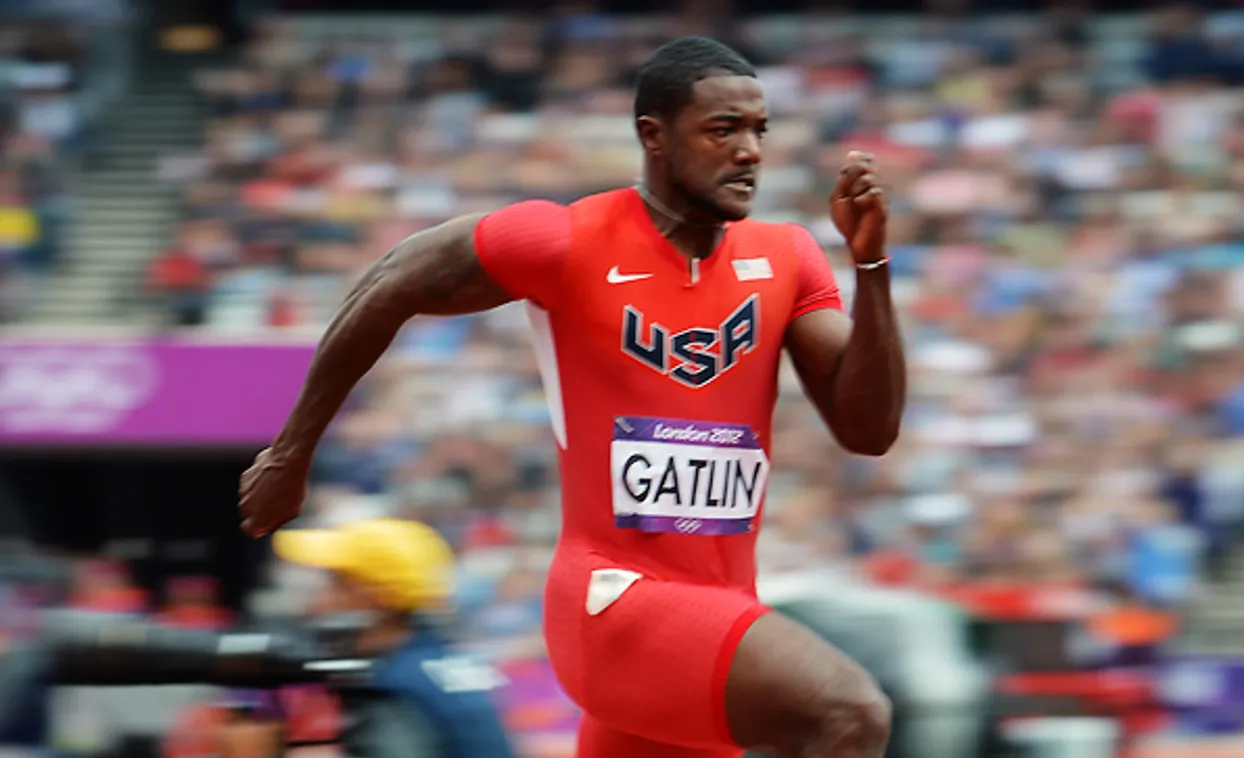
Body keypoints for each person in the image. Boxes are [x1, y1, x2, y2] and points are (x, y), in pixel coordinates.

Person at [240, 36, 906, 758]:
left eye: (759, 130)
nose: (749, 151)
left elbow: (867, 429)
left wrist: (869, 266)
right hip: (612, 603)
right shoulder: (565, 240)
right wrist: (291, 451)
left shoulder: (786, 258)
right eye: (723, 129)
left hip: (711, 616)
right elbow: (388, 282)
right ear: (653, 135)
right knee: (849, 714)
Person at [271, 517, 518, 758]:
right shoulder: (441, 662)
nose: (317, 601)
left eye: (336, 584)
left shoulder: (392, 684)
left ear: (377, 596)